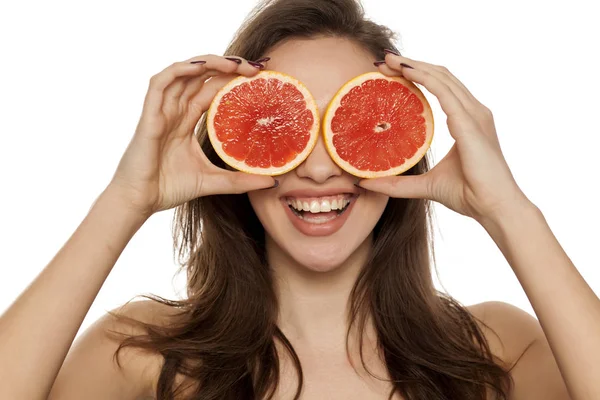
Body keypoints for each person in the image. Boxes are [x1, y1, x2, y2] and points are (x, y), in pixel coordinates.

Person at [0, 0, 596, 399]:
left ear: (401, 149)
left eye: (349, 125)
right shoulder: (140, 355)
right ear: (230, 152)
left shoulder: (494, 350)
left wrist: (511, 211)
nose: (315, 168)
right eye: (280, 127)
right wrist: (126, 198)